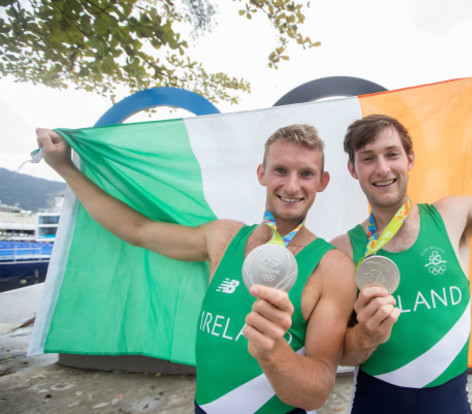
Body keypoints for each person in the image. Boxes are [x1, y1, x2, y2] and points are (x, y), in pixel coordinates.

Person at [36, 124, 357, 414]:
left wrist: (273, 351)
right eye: (281, 170)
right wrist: (65, 167)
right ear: (262, 174)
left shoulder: (330, 268)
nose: (291, 185)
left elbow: (317, 390)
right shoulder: (223, 238)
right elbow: (138, 230)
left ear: (322, 181)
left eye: (306, 174)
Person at [331, 63, 472, 413]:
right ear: (353, 170)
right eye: (368, 159)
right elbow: (338, 352)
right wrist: (366, 335)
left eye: (391, 154)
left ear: (410, 159)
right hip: (375, 403)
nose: (382, 168)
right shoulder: (343, 250)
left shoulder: (452, 219)